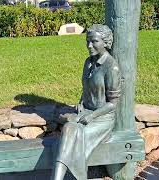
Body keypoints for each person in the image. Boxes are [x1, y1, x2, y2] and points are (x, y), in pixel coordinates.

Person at [52, 24, 121, 180]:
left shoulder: (112, 67)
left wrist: (91, 116)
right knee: (70, 129)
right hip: (86, 113)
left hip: (102, 119)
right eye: (87, 41)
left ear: (105, 42)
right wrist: (81, 102)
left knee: (71, 131)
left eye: (94, 41)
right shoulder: (88, 62)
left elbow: (113, 103)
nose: (89, 45)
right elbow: (86, 88)